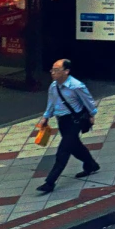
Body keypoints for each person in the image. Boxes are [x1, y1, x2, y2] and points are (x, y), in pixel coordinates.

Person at [35, 59, 99, 192]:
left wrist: (92, 115)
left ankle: (50, 182)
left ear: (66, 71)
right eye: (52, 69)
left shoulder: (76, 86)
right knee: (75, 147)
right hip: (62, 121)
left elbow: (88, 101)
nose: (53, 72)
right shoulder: (53, 86)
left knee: (63, 151)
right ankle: (91, 165)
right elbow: (51, 103)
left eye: (56, 70)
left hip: (74, 121)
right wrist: (45, 118)